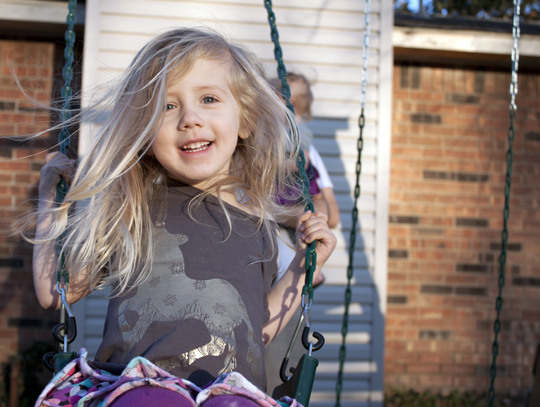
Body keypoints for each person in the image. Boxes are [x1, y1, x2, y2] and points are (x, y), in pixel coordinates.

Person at [30, 28, 336, 407]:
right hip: (140, 390)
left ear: (245, 120)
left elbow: (255, 331)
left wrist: (304, 267)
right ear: (144, 131)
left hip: (229, 394)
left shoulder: (258, 222)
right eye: (167, 106)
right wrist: (50, 198)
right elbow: (55, 291)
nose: (190, 118)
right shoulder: (133, 208)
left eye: (209, 99)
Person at [265, 73, 340, 395]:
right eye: (278, 100)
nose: (285, 108)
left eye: (292, 103)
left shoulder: (306, 149)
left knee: (279, 362)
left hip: (289, 259)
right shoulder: (256, 142)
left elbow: (329, 212)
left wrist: (310, 214)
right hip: (265, 249)